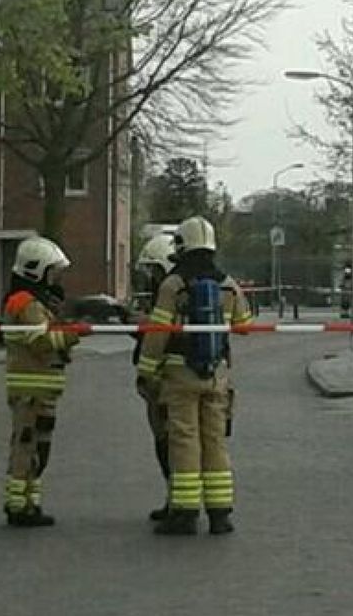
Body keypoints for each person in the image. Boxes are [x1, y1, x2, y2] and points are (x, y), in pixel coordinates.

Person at [136, 217, 253, 536]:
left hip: (180, 373)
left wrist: (146, 371)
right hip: (216, 374)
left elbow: (158, 332)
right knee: (215, 441)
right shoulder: (228, 284)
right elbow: (244, 325)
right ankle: (220, 515)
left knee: (184, 440)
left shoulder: (173, 284)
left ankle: (185, 513)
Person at [1, 236, 83, 527]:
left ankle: (30, 501)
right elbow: (40, 342)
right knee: (26, 447)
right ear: (37, 271)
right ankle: (17, 505)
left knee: (39, 449)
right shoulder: (27, 304)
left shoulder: (36, 303)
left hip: (42, 390)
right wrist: (75, 333)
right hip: (30, 391)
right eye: (52, 272)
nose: (55, 279)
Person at [132, 233, 177, 521]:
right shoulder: (173, 293)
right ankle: (175, 497)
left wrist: (145, 374)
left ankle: (178, 500)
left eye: (153, 270)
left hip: (165, 380)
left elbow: (160, 337)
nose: (150, 278)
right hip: (165, 380)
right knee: (168, 442)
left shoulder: (170, 294)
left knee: (170, 442)